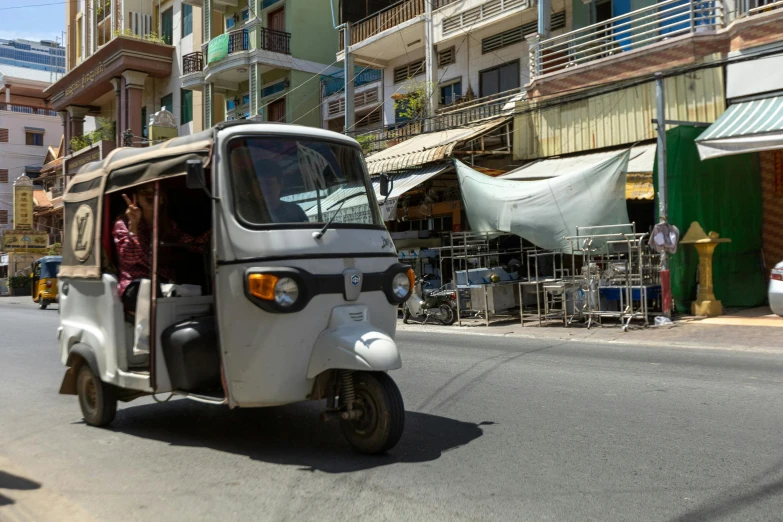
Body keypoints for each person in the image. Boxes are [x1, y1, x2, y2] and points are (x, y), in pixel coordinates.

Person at [113, 184, 210, 297]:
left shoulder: (168, 226)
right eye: (144, 191)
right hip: (136, 286)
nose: (149, 195)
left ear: (162, 200)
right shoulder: (123, 224)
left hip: (166, 285)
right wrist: (133, 225)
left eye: (155, 191)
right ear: (136, 198)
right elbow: (129, 258)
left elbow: (194, 244)